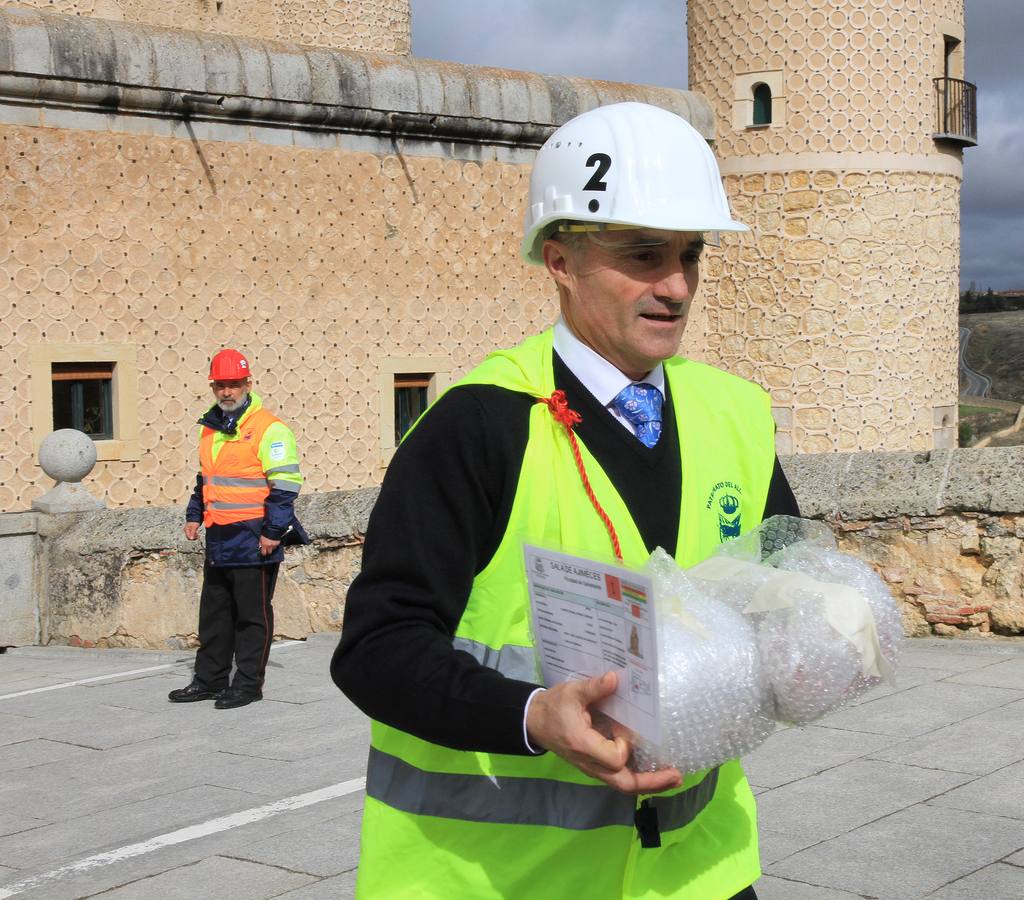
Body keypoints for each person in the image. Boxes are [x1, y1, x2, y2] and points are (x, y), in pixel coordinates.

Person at [331, 101, 800, 899]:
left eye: (690, 255)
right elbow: (377, 647)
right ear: (559, 260)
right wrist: (530, 715)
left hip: (697, 871)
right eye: (642, 255)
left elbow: (786, 578)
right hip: (501, 880)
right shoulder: (478, 424)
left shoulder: (734, 413)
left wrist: (823, 624)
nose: (677, 285)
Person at [170, 349, 305, 710]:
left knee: (252, 616)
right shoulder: (211, 427)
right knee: (214, 614)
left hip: (255, 535)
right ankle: (209, 680)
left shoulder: (270, 428)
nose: (227, 392)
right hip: (219, 535)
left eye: (234, 385)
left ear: (248, 383)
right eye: (221, 386)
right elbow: (207, 479)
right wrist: (194, 514)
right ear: (213, 386)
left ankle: (247, 684)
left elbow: (286, 485)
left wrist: (273, 532)